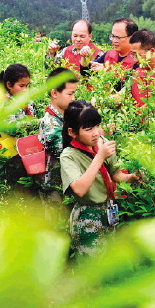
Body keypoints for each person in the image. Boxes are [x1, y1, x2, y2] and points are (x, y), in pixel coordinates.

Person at [60, 100, 140, 256]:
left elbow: (116, 175)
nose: (96, 132)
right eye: (89, 129)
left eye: (97, 126)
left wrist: (131, 177)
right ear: (72, 132)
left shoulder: (101, 143)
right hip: (87, 216)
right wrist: (99, 157)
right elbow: (79, 189)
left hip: (109, 210)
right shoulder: (69, 156)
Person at [38, 68, 79, 201]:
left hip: (66, 182)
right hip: (55, 187)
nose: (73, 99)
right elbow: (62, 151)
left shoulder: (64, 115)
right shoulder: (50, 122)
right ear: (54, 93)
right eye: (70, 94)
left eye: (74, 94)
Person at [90, 17, 138, 90]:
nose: (114, 41)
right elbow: (88, 69)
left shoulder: (138, 61)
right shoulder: (109, 54)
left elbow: (129, 87)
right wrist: (85, 58)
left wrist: (106, 73)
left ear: (132, 38)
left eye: (118, 38)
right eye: (113, 36)